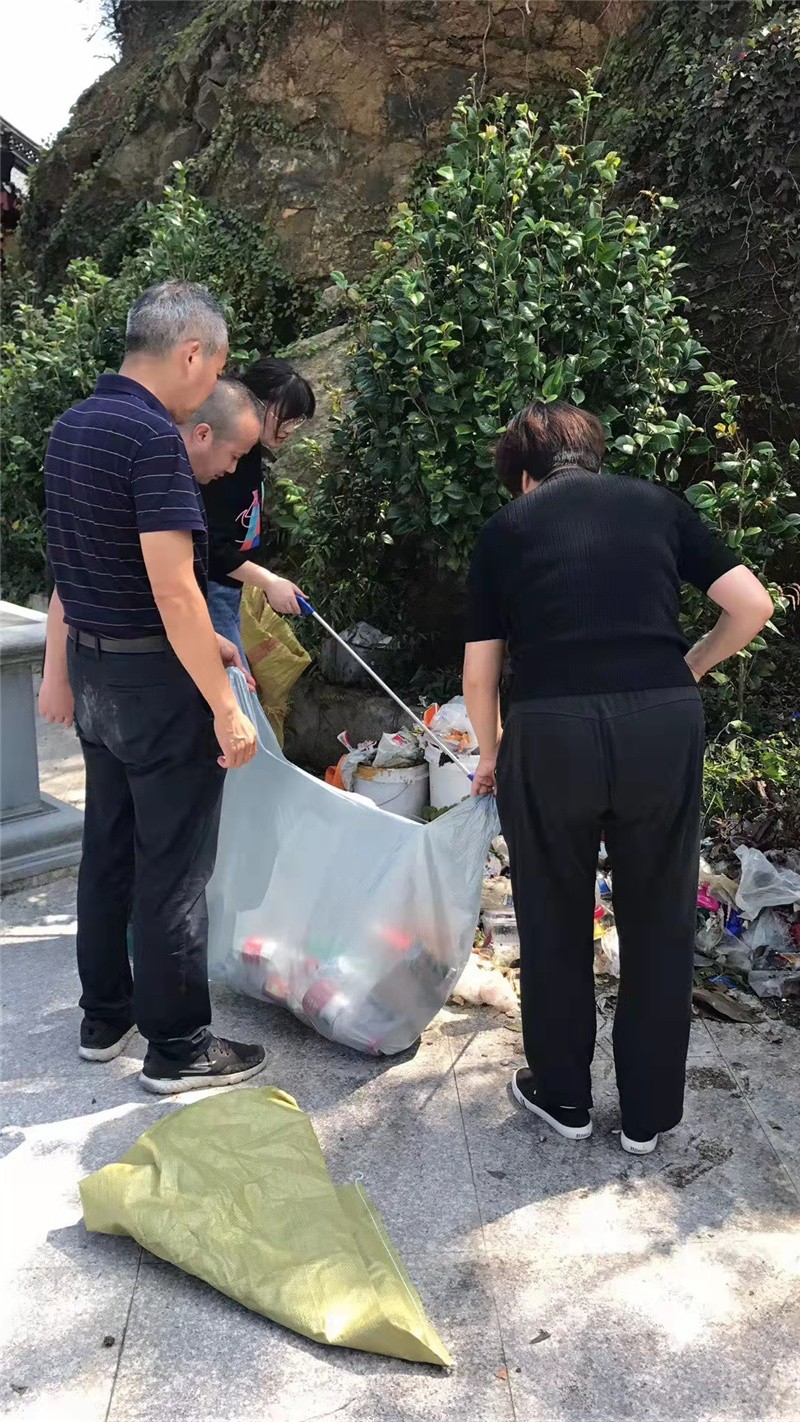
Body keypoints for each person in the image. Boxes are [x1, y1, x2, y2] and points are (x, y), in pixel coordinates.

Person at [463, 400, 774, 1154]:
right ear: (592, 455)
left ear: (524, 474)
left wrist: (491, 751)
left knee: (553, 914)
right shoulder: (657, 505)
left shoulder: (507, 529)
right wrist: (689, 665)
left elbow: (480, 672)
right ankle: (647, 1115)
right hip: (660, 724)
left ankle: (564, 1098)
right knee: (660, 916)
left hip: (551, 730)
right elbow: (752, 605)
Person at [39, 280, 267, 1096]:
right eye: (217, 367)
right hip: (154, 686)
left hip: (98, 673)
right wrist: (225, 706)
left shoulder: (72, 427)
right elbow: (174, 590)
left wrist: (60, 671)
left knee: (108, 846)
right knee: (173, 866)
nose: (214, 384)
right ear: (191, 353)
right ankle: (179, 1047)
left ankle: (105, 1016)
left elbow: (84, 564)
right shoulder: (151, 438)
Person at [200, 357, 315, 664]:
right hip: (211, 588)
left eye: (297, 421)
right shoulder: (223, 462)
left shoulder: (249, 454)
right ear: (255, 402)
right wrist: (268, 581)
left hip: (230, 586)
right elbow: (211, 546)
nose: (290, 429)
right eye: (286, 418)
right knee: (233, 680)